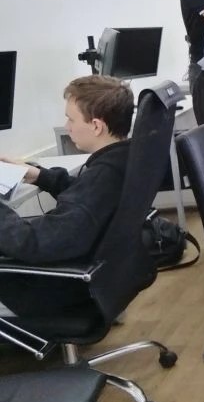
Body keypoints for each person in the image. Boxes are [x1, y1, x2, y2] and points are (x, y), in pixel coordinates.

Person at [0, 76, 133, 316]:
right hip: (103, 278)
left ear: (96, 126)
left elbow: (32, 243)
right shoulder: (123, 161)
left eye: (71, 119)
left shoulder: (100, 180)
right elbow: (87, 198)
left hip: (56, 288)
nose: (67, 126)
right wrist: (39, 175)